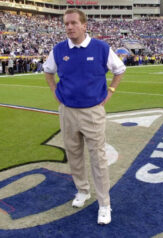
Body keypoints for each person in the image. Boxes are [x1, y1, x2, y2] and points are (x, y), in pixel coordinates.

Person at [43, 9, 126, 225]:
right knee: (74, 154)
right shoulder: (59, 49)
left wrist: (111, 92)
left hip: (92, 112)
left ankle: (104, 204)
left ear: (84, 25)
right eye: (66, 24)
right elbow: (47, 71)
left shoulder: (101, 48)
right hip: (67, 111)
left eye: (72, 23)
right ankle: (82, 190)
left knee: (98, 157)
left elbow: (120, 70)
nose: (68, 27)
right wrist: (54, 92)